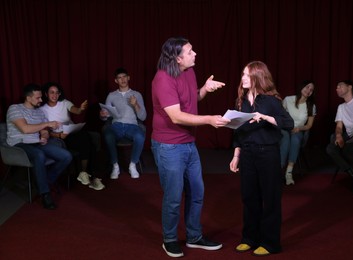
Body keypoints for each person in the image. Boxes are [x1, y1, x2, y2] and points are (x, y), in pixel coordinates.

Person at [151, 37, 230, 258]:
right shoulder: (163, 79)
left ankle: (194, 237)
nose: (195, 53)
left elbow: (191, 100)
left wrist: (204, 88)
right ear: (177, 58)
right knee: (174, 196)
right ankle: (170, 239)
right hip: (168, 146)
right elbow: (176, 116)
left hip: (188, 143)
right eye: (190, 51)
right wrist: (209, 120)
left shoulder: (189, 72)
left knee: (197, 192)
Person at [229, 61, 294, 256]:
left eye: (247, 75)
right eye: (242, 75)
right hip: (247, 154)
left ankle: (270, 243)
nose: (243, 79)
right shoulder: (241, 101)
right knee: (249, 198)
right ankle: (249, 238)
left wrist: (264, 117)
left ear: (258, 77)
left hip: (268, 153)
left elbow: (288, 123)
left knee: (270, 199)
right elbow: (238, 132)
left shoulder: (271, 101)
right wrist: (236, 155)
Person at [6, 83, 72, 209]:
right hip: (19, 145)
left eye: (41, 97)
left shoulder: (39, 112)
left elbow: (44, 131)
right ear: (28, 98)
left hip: (36, 143)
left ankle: (45, 181)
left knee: (66, 156)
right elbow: (25, 129)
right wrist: (46, 124)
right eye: (38, 98)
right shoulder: (15, 108)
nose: (41, 100)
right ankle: (45, 194)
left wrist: (44, 136)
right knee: (39, 155)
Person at [40, 82, 104, 191]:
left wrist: (81, 108)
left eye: (57, 93)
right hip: (58, 137)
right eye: (52, 92)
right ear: (46, 94)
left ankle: (84, 173)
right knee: (89, 143)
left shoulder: (64, 103)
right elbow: (43, 130)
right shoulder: (42, 110)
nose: (54, 95)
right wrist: (58, 135)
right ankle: (92, 177)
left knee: (85, 137)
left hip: (72, 132)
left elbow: (76, 110)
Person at [100, 67, 147, 179]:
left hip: (132, 126)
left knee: (140, 136)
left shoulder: (137, 94)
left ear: (128, 78)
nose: (122, 79)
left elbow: (143, 117)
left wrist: (135, 104)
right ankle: (115, 166)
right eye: (119, 78)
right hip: (116, 125)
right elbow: (106, 116)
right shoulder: (111, 95)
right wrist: (102, 115)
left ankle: (133, 164)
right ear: (116, 81)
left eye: (124, 77)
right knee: (108, 135)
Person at [280, 80, 316, 185]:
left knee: (295, 139)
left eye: (311, 90)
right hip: (285, 129)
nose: (309, 90)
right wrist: (287, 126)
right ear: (302, 87)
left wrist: (299, 128)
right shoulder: (288, 99)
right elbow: (280, 116)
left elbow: (309, 125)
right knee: (285, 139)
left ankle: (289, 173)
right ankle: (279, 169)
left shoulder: (311, 106)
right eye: (307, 87)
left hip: (299, 131)